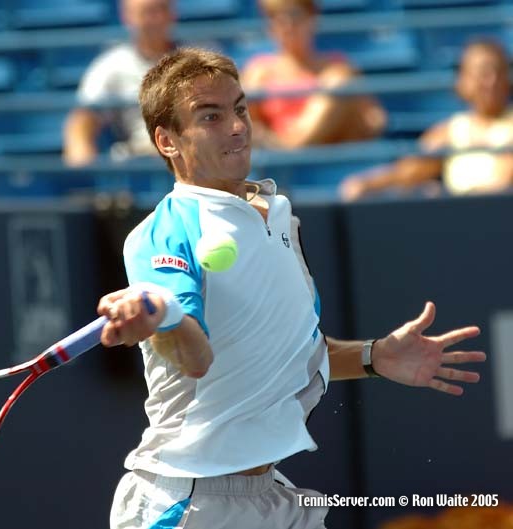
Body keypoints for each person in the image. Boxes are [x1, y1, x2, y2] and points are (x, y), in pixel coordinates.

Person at [99, 47, 486, 529]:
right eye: (210, 117)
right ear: (167, 140)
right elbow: (194, 357)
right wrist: (164, 318)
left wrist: (373, 356)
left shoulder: (278, 216)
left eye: (239, 109)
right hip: (188, 503)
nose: (238, 127)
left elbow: (290, 351)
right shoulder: (164, 233)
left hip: (270, 498)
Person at [341, 40, 513, 200]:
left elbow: (504, 179)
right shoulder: (450, 131)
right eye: (482, 73)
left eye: (498, 71)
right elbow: (410, 171)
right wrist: (367, 184)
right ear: (463, 81)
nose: (491, 81)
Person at [241, 0, 385, 149]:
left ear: (312, 19)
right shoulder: (260, 71)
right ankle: (291, 150)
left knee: (339, 81)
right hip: (277, 153)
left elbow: (374, 118)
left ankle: (292, 148)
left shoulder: (337, 67)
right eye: (276, 18)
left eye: (294, 16)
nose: (287, 25)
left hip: (329, 150)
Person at [62, 0, 177, 166]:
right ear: (127, 17)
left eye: (162, 9)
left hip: (197, 156)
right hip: (142, 160)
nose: (157, 19)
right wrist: (81, 155)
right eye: (147, 12)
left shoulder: (199, 53)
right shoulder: (112, 64)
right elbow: (83, 118)